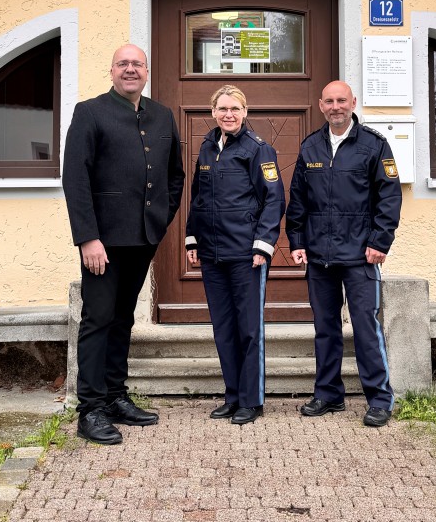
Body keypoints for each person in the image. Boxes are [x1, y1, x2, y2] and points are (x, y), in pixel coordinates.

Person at [63, 44, 184, 445]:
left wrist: (161, 222)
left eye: (137, 64)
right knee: (97, 320)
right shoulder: (90, 112)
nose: (130, 70)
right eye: (123, 64)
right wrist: (88, 238)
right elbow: (76, 180)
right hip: (102, 242)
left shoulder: (162, 115)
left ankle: (115, 396)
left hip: (143, 238)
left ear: (146, 71)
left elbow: (174, 176)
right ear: (112, 70)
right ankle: (91, 409)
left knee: (123, 319)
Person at [286, 81, 402, 427]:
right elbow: (298, 202)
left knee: (366, 327)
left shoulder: (374, 145)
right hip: (319, 255)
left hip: (361, 256)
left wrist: (380, 242)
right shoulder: (310, 147)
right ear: (321, 106)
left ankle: (380, 399)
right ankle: (328, 393)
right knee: (325, 328)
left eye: (341, 100)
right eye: (329, 101)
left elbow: (390, 197)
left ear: (353, 102)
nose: (336, 107)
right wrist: (296, 242)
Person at [185, 85, 285, 425]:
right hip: (212, 255)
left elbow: (274, 200)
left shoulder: (259, 149)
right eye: (222, 108)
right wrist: (191, 238)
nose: (229, 114)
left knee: (249, 329)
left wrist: (263, 244)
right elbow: (197, 197)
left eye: (235, 109)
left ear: (245, 112)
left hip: (247, 256)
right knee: (223, 328)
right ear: (213, 112)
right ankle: (232, 396)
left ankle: (251, 400)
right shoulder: (207, 148)